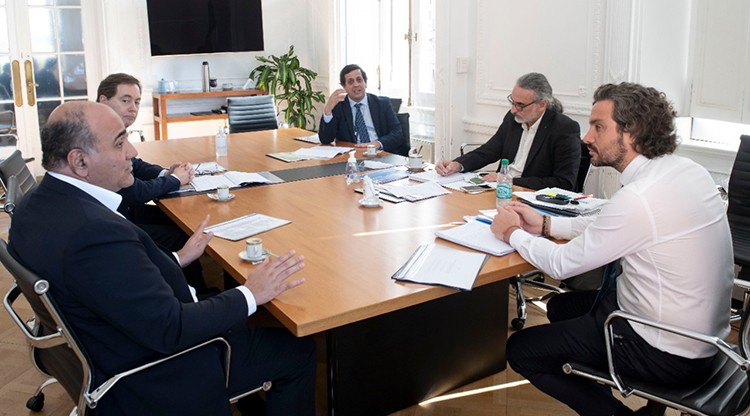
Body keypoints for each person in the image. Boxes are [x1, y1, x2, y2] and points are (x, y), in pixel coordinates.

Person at [8, 101, 316, 415]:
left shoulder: (35, 204)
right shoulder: (94, 232)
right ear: (80, 161)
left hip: (108, 339)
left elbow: (113, 281)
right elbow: (172, 329)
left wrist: (178, 257)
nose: (131, 152)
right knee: (297, 349)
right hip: (157, 372)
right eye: (119, 143)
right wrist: (251, 293)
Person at [490, 83, 733, 415]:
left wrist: (512, 233)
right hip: (704, 339)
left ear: (631, 134)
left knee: (521, 350)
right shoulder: (686, 171)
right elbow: (613, 221)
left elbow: (561, 265)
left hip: (666, 352)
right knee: (561, 307)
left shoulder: (639, 198)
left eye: (598, 127)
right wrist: (546, 225)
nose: (587, 137)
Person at [97, 73, 212, 292]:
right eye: (125, 100)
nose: (133, 108)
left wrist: (164, 172)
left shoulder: (110, 128)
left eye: (137, 102)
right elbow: (137, 192)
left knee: (184, 221)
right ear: (104, 100)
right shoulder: (100, 135)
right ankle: (195, 293)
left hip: (120, 211)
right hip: (115, 223)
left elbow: (136, 165)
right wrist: (175, 179)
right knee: (181, 233)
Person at [435, 72, 581, 191]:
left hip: (530, 196)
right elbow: (489, 151)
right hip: (500, 191)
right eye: (512, 102)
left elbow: (564, 183)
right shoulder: (513, 119)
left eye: (520, 105)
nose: (513, 110)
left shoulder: (564, 129)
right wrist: (458, 165)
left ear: (542, 104)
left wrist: (508, 179)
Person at [318, 64, 407, 155]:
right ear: (344, 87)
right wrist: (328, 109)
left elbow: (398, 134)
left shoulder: (382, 104)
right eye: (350, 82)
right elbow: (326, 139)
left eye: (359, 80)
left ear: (365, 83)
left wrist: (377, 144)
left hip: (380, 154)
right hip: (352, 156)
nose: (356, 85)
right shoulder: (339, 107)